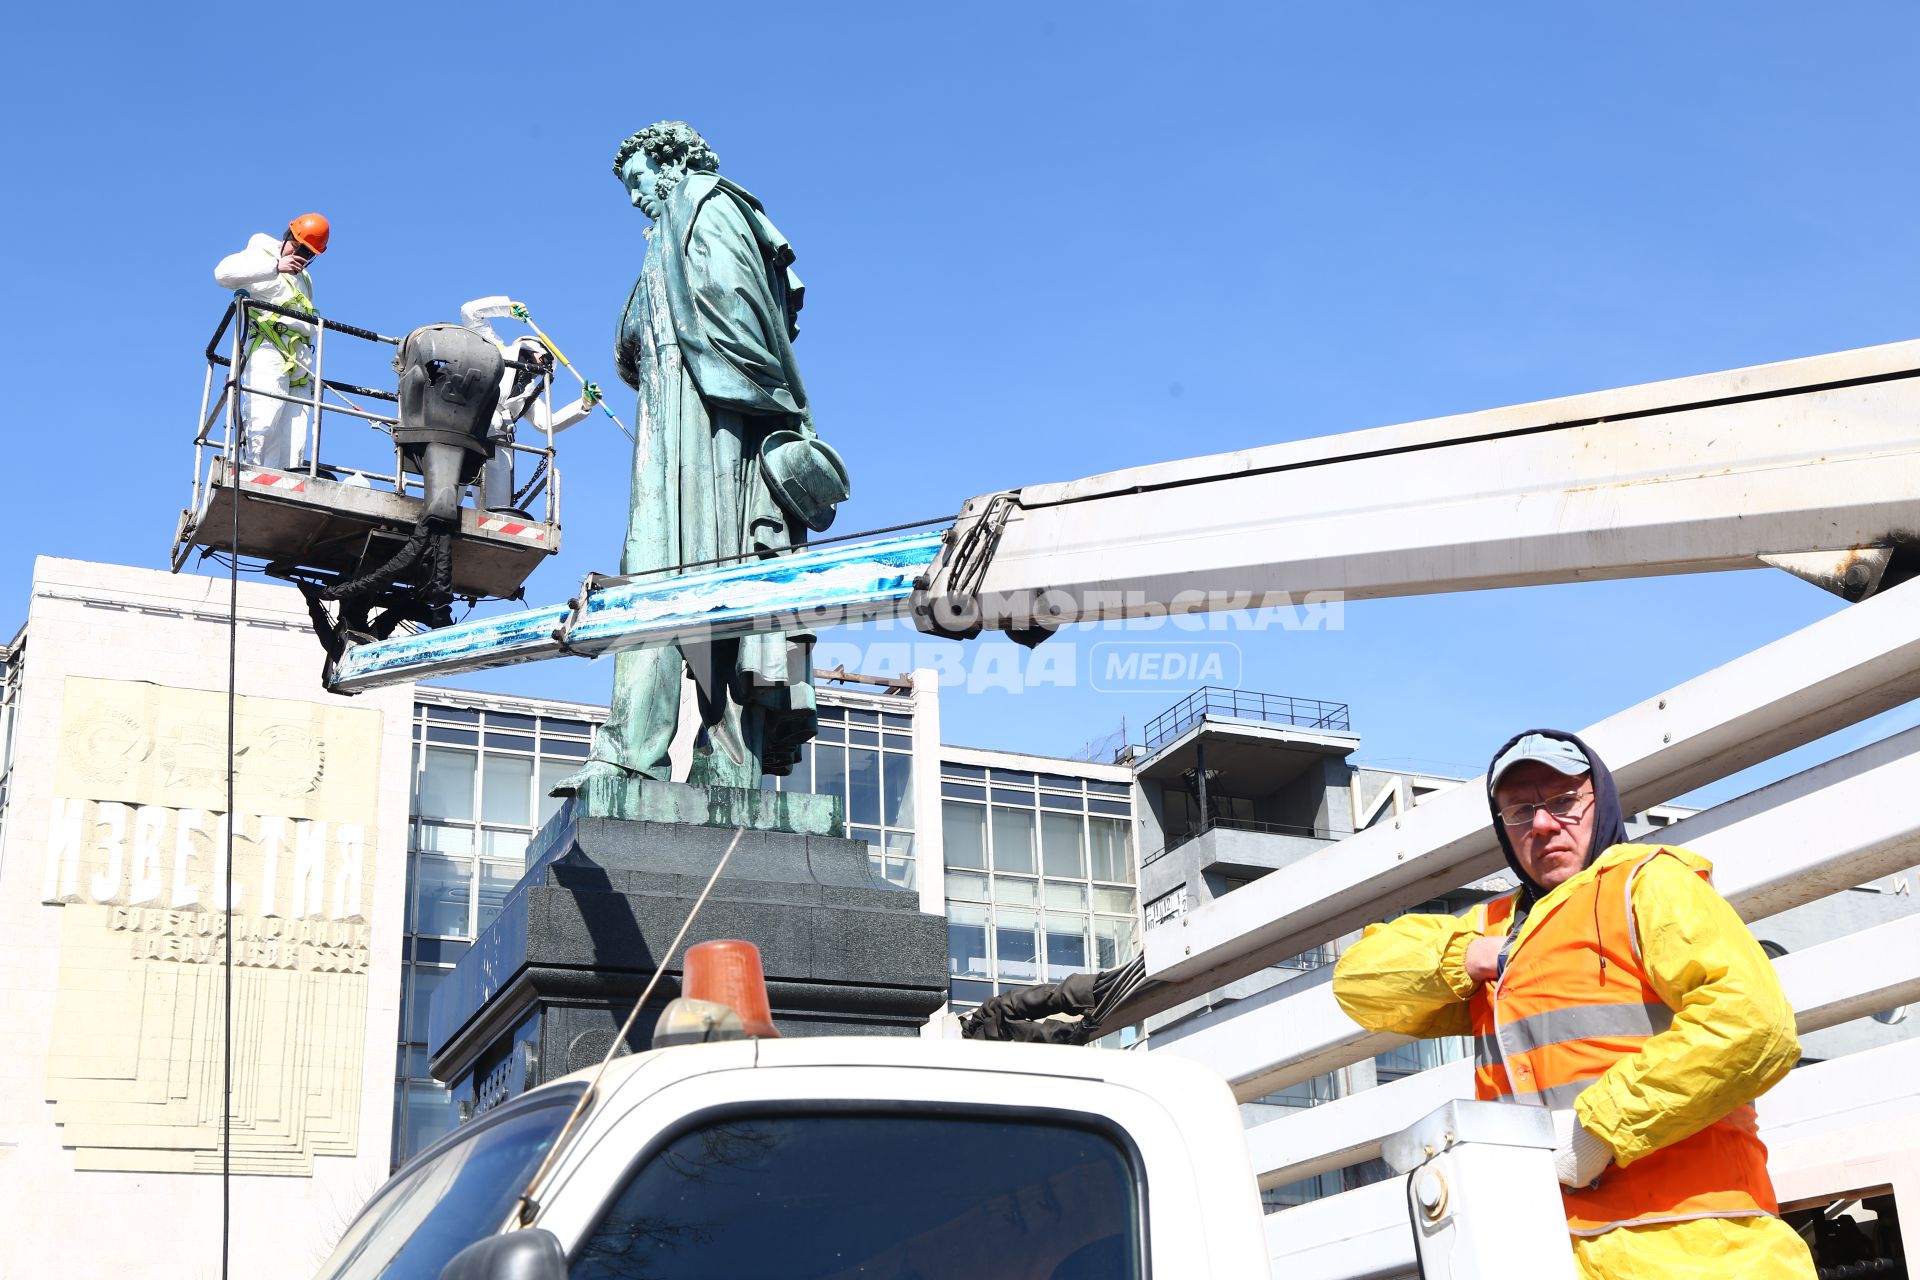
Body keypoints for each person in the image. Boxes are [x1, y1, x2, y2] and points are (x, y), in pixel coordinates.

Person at [1332, 729, 1816, 1279]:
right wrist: (1471, 957)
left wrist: (1598, 1128)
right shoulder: (1493, 928)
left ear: (1599, 801)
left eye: (1562, 802)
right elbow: (1360, 983)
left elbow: (1754, 1025)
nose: (1542, 825)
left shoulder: (1648, 885)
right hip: (1552, 1253)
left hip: (1697, 1251)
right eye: (1519, 812)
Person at [553, 121, 838, 794]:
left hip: (713, 432)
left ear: (670, 163)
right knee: (661, 579)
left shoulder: (705, 201)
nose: (634, 197)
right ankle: (636, 753)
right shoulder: (666, 234)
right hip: (669, 426)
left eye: (637, 179)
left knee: (708, 585)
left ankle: (720, 764)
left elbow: (742, 314)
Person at [458, 297, 600, 514]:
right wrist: (506, 308)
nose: (545, 366)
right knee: (450, 490)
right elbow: (470, 311)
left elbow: (546, 423)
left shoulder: (529, 391)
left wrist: (583, 405)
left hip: (499, 444)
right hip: (467, 427)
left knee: (497, 511)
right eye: (545, 359)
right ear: (532, 349)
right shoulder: (495, 349)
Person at [213, 214, 330, 470]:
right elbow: (222, 274)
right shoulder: (262, 252)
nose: (300, 255)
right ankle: (250, 472)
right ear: (288, 235)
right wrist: (276, 266)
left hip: (300, 360)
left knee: (295, 437)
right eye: (298, 246)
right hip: (268, 349)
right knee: (264, 418)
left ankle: (287, 481)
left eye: (308, 253)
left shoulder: (304, 280)